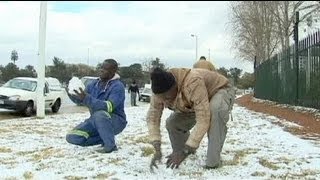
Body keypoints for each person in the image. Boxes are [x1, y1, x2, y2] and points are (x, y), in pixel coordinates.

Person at [147, 67, 235, 170]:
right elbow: (153, 118)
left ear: (176, 87)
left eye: (167, 98)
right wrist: (157, 148)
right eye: (162, 100)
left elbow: (203, 120)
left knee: (215, 110)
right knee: (172, 123)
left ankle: (213, 163)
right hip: (195, 101)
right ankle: (181, 154)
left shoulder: (192, 82)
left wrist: (186, 150)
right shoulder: (159, 91)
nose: (165, 105)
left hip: (219, 90)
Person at [65, 59, 127, 153]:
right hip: (95, 120)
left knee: (100, 114)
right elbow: (82, 101)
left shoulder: (118, 86)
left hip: (116, 121)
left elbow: (108, 107)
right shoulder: (93, 84)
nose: (101, 70)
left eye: (105, 69)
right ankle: (104, 137)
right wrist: (71, 93)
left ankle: (110, 146)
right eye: (101, 67)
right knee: (72, 137)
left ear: (113, 72)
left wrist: (86, 98)